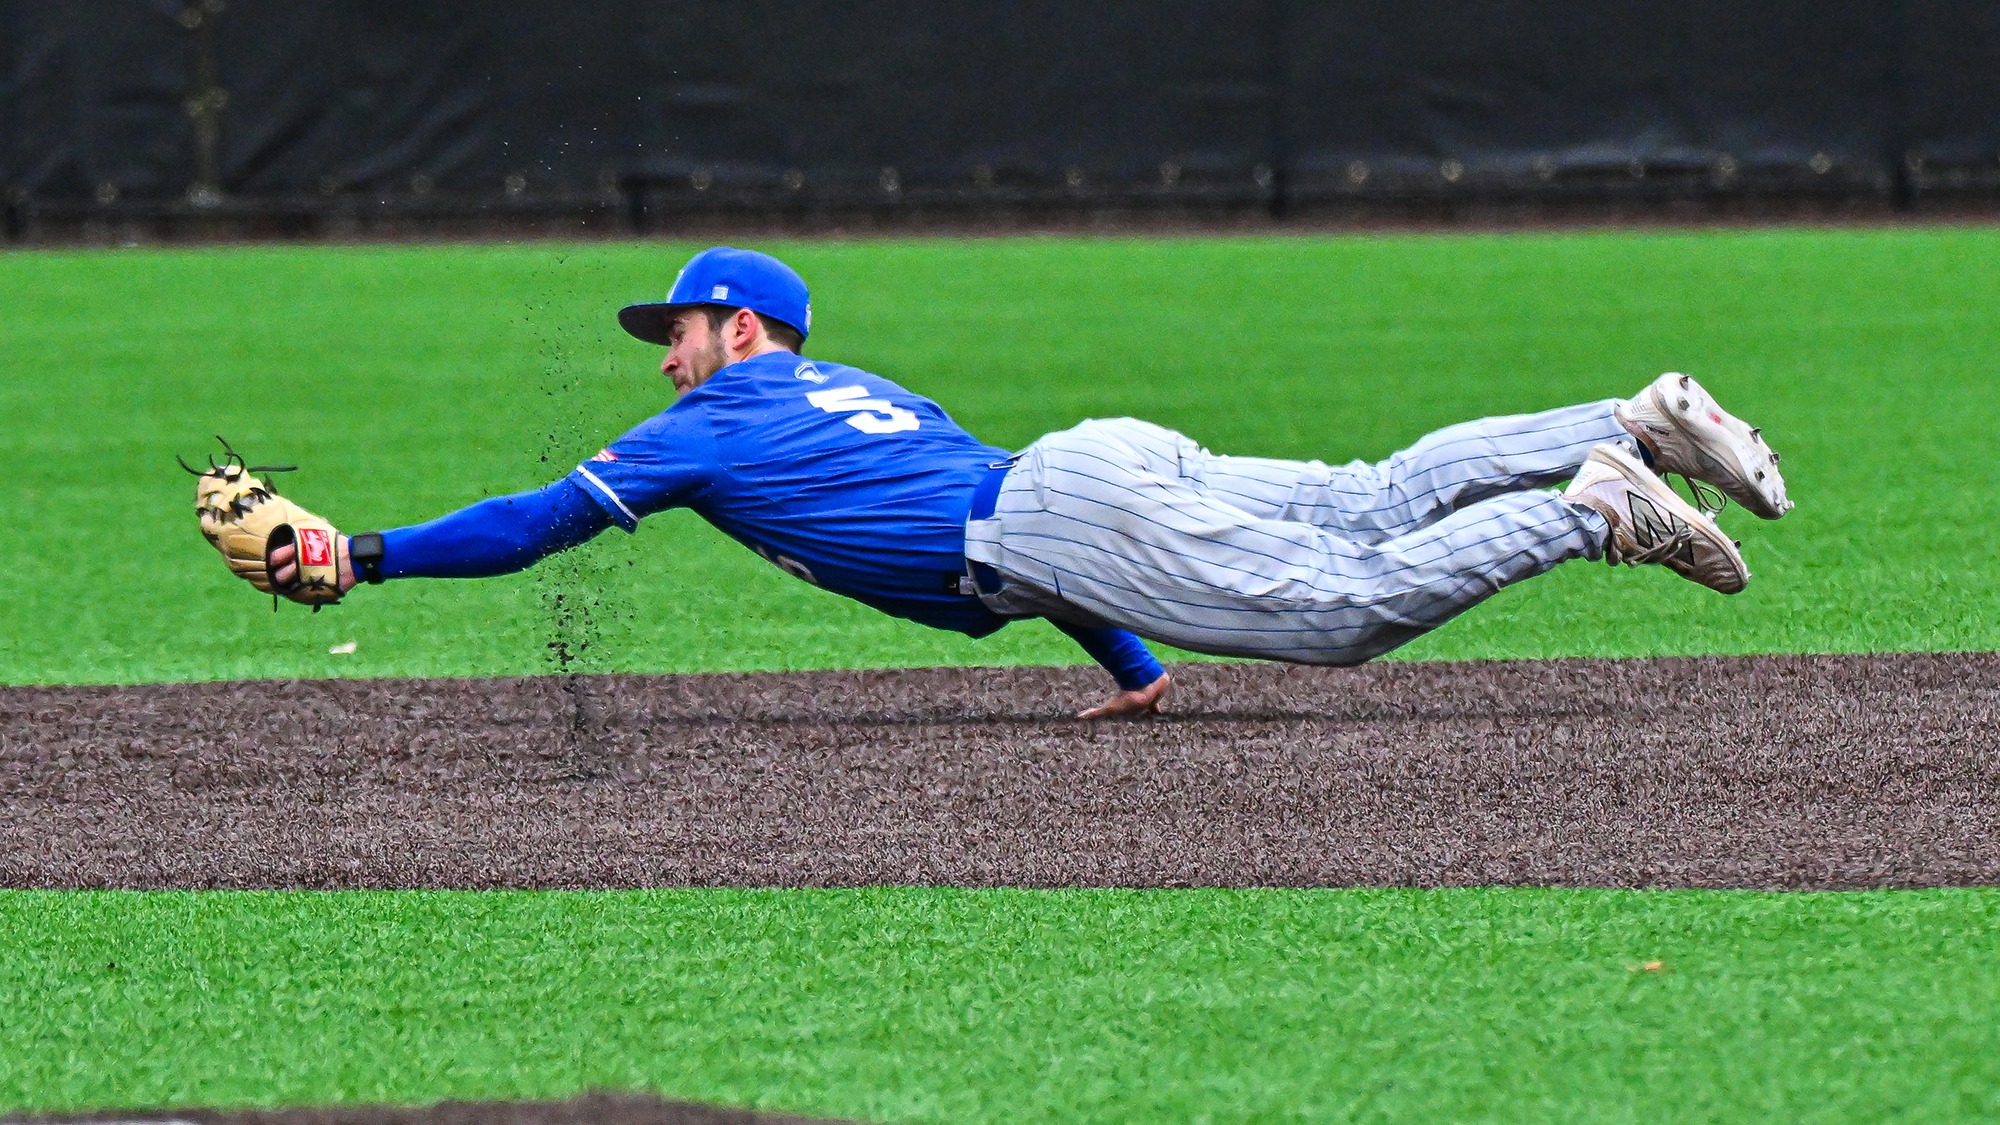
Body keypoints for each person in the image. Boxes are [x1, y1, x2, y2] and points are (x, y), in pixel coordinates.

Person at [275, 246, 1789, 718]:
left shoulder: (714, 420)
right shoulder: (855, 387)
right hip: (1087, 473)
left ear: (739, 329)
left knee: (1342, 615)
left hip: (1062, 507)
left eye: (674, 330)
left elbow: (538, 523)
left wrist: (367, 552)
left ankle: (1593, 500)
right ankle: (1630, 412)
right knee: (1373, 496)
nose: (662, 355)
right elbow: (1031, 538)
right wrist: (1133, 665)